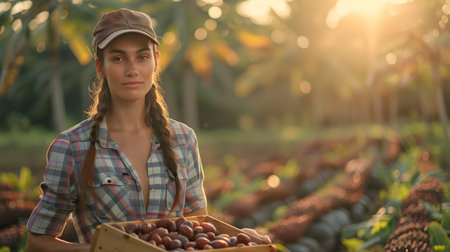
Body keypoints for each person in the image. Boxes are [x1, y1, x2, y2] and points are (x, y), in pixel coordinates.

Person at [25, 8, 274, 252]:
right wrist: (101, 250)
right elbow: (37, 243)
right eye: (118, 58)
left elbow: (198, 228)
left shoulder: (183, 139)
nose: (132, 69)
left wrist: (242, 239)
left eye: (142, 57)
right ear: (100, 67)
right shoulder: (72, 146)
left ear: (156, 61)